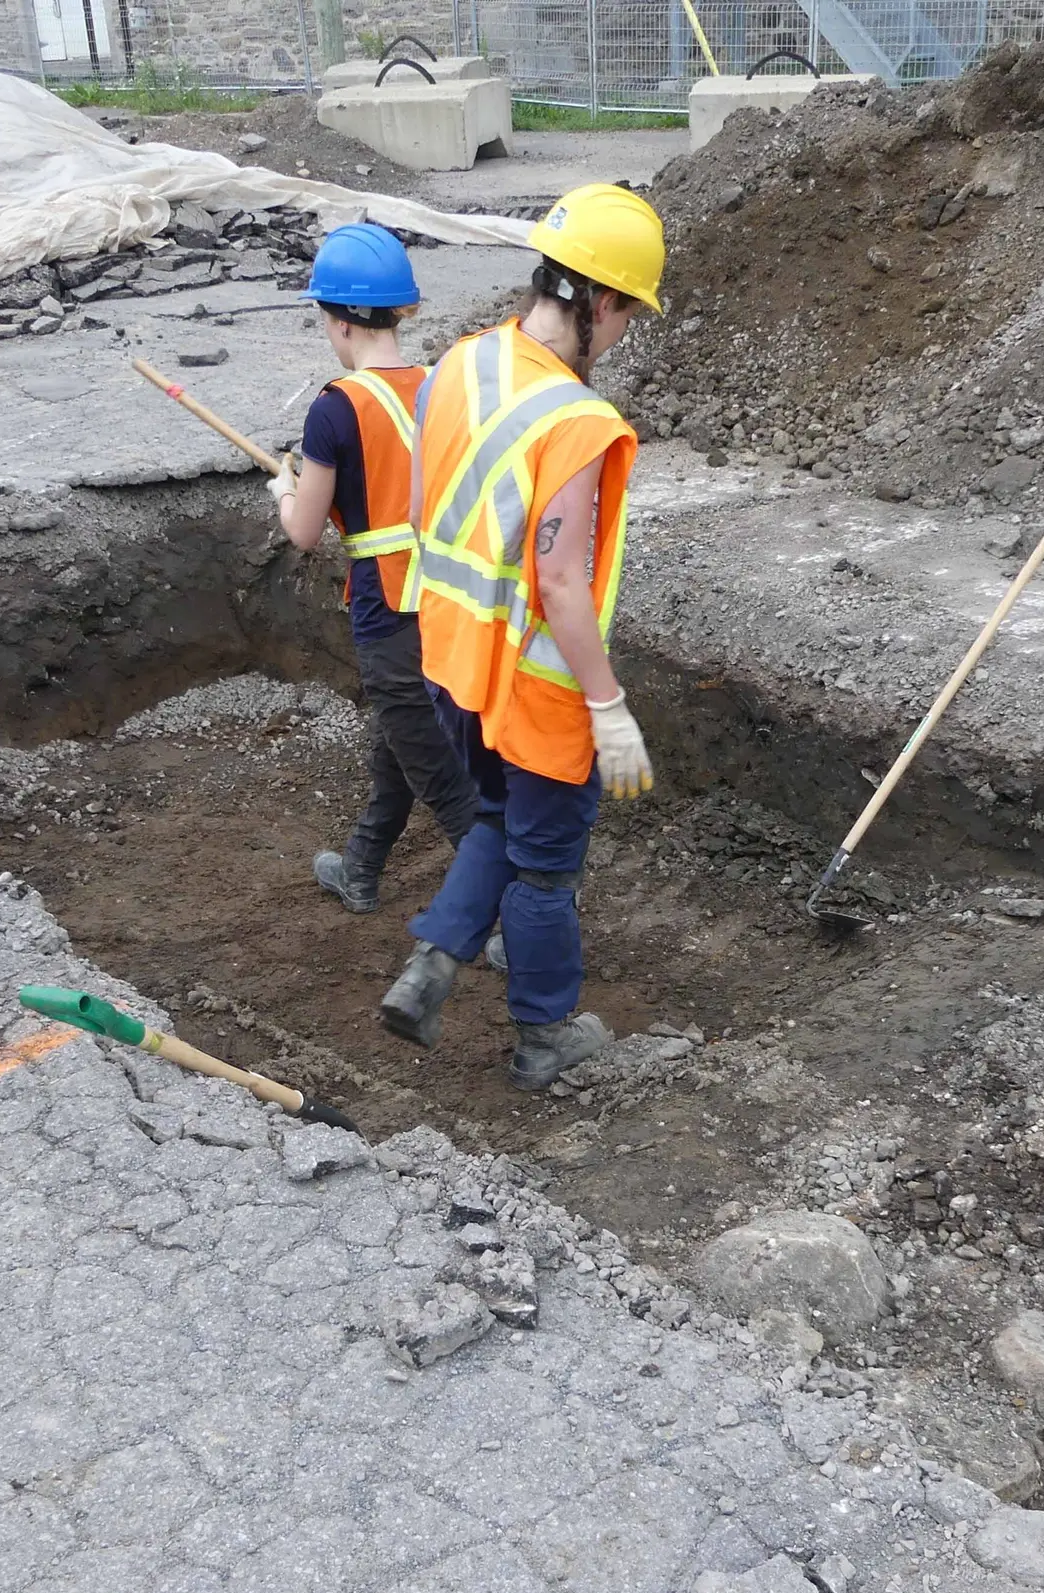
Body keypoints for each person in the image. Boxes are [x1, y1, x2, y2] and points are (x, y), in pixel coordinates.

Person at [377, 182, 664, 1092]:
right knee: (544, 867)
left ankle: (432, 963)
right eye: (628, 315)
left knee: (500, 818)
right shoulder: (576, 420)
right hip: (536, 686)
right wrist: (608, 706)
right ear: (602, 300)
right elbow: (560, 582)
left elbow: (424, 508)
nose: (621, 336)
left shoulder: (461, 363)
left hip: (450, 661)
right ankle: (545, 1037)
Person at [270, 222, 482, 918]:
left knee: (441, 777)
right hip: (452, 598)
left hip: (388, 611)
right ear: (398, 311)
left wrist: (284, 490)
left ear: (338, 321)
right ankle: (360, 868)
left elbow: (304, 532)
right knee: (400, 739)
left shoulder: (335, 408)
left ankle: (512, 922)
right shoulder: (437, 386)